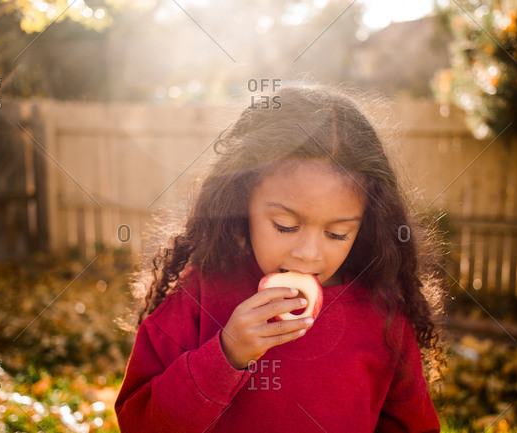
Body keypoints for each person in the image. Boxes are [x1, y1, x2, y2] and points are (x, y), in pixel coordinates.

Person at [115, 85, 445, 432]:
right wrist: (225, 356)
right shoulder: (200, 294)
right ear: (243, 201)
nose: (308, 254)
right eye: (285, 226)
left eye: (336, 234)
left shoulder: (384, 315)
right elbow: (139, 422)